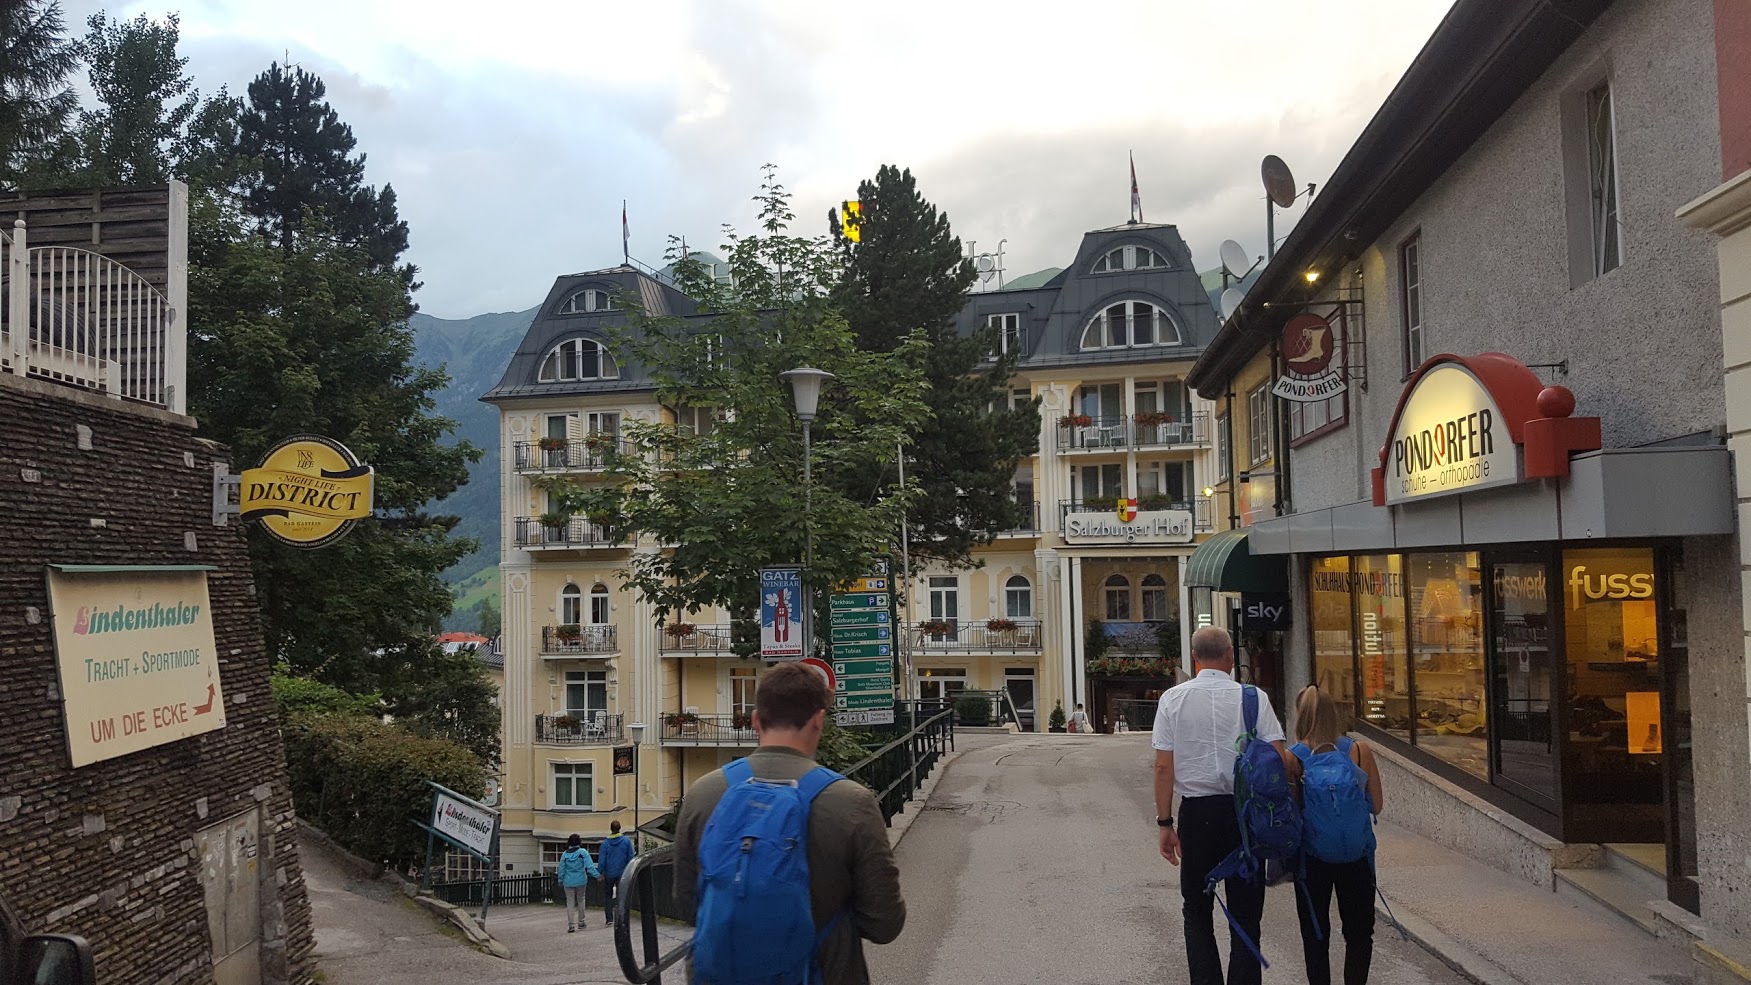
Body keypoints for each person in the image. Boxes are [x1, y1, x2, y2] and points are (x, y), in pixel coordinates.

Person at [675, 662, 905, 985]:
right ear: (818, 721)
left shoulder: (703, 794)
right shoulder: (851, 802)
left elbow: (688, 904)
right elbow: (885, 924)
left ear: (756, 719)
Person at [1153, 626, 1294, 985]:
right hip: (1244, 816)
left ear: (1195, 658)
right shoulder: (1254, 698)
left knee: (1197, 911)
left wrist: (1165, 823)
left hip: (1197, 815)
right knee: (1246, 914)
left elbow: (1163, 766)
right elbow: (1277, 758)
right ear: (1230, 656)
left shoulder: (1172, 699)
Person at [1292, 686, 1385, 985]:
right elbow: (1378, 805)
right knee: (1359, 933)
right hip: (1356, 855)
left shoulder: (1293, 757)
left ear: (1300, 716)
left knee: (1315, 934)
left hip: (1311, 858)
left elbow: (1290, 812)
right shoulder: (1359, 751)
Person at [557, 833, 600, 933]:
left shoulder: (565, 854)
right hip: (581, 880)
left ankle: (571, 925)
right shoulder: (582, 852)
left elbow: (561, 869)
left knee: (570, 902)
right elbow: (590, 866)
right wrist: (597, 875)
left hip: (568, 881)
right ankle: (581, 921)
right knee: (581, 900)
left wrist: (560, 880)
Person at [597, 819, 635, 926]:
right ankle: (621, 917)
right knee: (621, 895)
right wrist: (629, 870)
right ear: (620, 828)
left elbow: (602, 859)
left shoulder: (605, 843)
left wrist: (599, 872)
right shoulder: (626, 841)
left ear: (611, 829)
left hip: (609, 873)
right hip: (622, 873)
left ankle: (609, 918)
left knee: (608, 896)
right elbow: (630, 857)